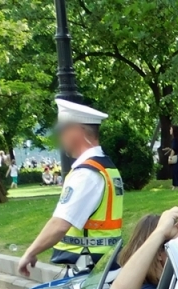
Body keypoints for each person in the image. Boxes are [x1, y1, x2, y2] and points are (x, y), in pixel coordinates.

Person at [16, 99, 123, 277]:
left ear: (76, 130)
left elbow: (60, 224)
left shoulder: (86, 174)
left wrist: (30, 252)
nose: (60, 137)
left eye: (62, 131)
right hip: (104, 267)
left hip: (88, 271)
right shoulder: (105, 167)